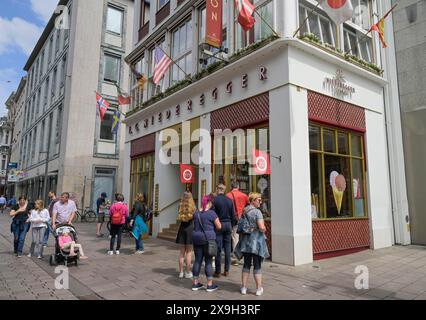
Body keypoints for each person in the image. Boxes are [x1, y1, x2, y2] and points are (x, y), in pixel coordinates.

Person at [235, 192, 270, 296]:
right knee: (257, 265)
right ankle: (259, 288)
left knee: (246, 265)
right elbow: (261, 227)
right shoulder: (257, 212)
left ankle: (244, 288)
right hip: (256, 243)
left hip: (246, 243)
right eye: (259, 200)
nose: (260, 202)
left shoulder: (245, 210)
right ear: (253, 200)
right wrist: (264, 229)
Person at [191, 194, 222, 292]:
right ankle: (209, 285)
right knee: (208, 261)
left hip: (196, 239)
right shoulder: (212, 213)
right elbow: (219, 226)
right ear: (209, 202)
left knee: (197, 260)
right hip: (208, 239)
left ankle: (195, 283)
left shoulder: (196, 213)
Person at [212, 184, 237, 277]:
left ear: (218, 189)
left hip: (219, 224)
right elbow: (233, 215)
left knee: (218, 248)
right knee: (227, 248)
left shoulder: (214, 200)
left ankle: (217, 271)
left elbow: (212, 214)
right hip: (228, 225)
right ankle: (226, 270)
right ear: (224, 190)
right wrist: (232, 225)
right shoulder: (229, 200)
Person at [227, 183, 249, 266]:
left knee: (234, 237)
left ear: (231, 187)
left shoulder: (228, 195)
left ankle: (235, 257)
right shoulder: (244, 195)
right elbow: (248, 206)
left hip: (232, 219)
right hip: (242, 219)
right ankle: (244, 255)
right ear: (238, 187)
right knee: (243, 237)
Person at [176, 191, 195, 279]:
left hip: (182, 229)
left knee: (181, 252)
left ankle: (180, 272)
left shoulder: (180, 206)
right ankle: (188, 272)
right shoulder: (193, 207)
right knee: (189, 252)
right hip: (190, 229)